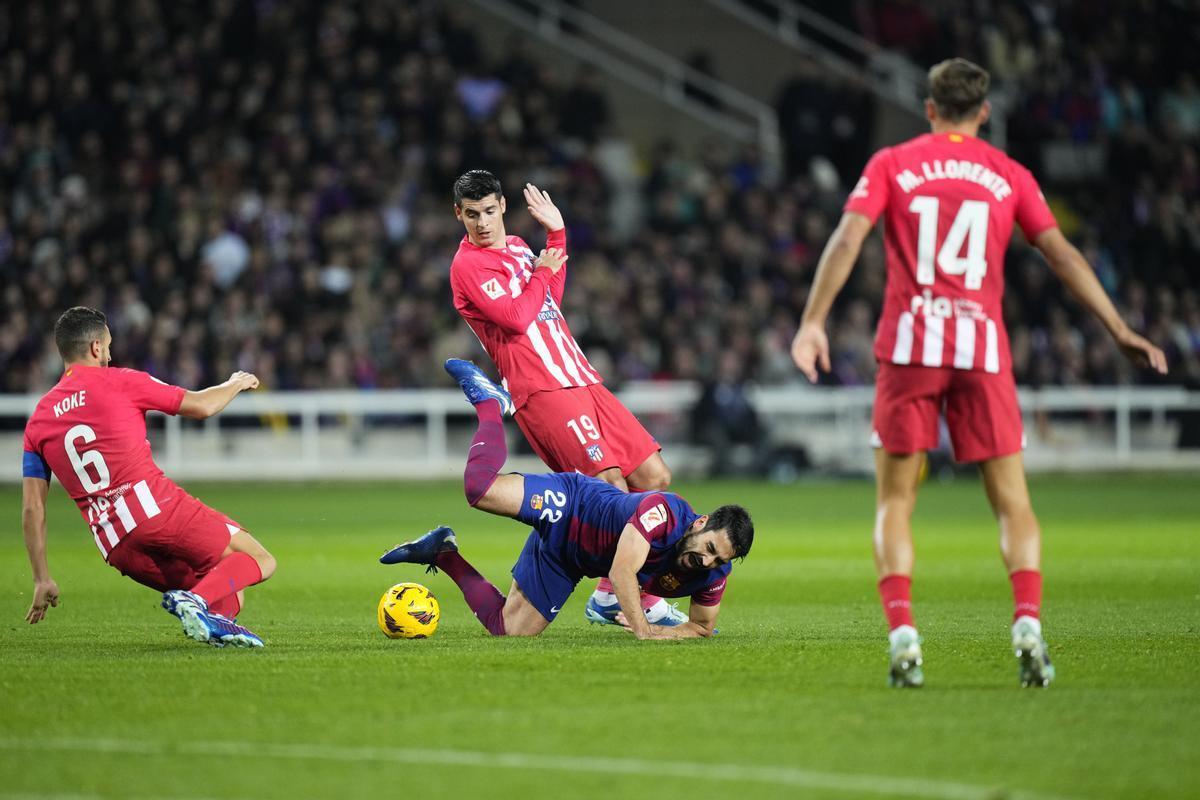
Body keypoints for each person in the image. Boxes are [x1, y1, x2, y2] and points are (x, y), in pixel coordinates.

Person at [790, 58, 1168, 688]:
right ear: (984, 112)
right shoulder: (1008, 173)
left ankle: (905, 635)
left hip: (910, 347)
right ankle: (1027, 624)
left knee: (895, 501)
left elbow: (849, 237)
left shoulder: (893, 163)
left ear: (930, 108)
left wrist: (812, 321)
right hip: (981, 351)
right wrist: (1118, 328)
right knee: (1013, 504)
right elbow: (1061, 254)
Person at [448, 169, 683, 627]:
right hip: (541, 389)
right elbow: (517, 319)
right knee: (611, 488)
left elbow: (548, 298)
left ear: (502, 207)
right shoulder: (468, 267)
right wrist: (541, 269)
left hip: (581, 376)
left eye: (489, 211)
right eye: (471, 214)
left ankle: (605, 592)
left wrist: (557, 233)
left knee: (654, 476)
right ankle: (620, 593)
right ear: (458, 214)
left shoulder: (517, 246)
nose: (481, 222)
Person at [379, 360, 753, 638]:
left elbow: (702, 628)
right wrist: (645, 630)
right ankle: (490, 405)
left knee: (508, 631)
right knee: (481, 490)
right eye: (709, 548)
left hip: (570, 559)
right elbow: (622, 570)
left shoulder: (713, 572)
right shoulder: (665, 512)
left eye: (719, 558)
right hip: (571, 505)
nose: (707, 560)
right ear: (700, 523)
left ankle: (444, 553)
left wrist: (672, 633)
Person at [21, 307, 277, 648]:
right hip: (154, 508)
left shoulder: (38, 420)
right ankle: (193, 603)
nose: (110, 354)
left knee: (229, 596)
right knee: (260, 559)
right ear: (96, 347)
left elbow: (32, 509)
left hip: (114, 543)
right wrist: (235, 383)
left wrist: (41, 578)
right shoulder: (122, 381)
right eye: (108, 346)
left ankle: (202, 615)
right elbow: (201, 406)